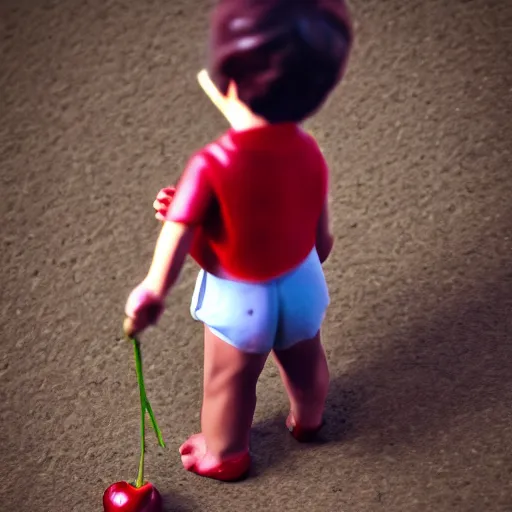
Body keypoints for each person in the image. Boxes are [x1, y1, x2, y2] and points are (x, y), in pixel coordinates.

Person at [124, 0, 353, 482]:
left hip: (240, 296)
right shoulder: (309, 151)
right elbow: (321, 231)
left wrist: (151, 290)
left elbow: (178, 236)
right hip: (302, 280)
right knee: (306, 359)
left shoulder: (211, 164)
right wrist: (310, 258)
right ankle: (308, 418)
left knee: (228, 381)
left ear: (226, 81)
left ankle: (225, 453)